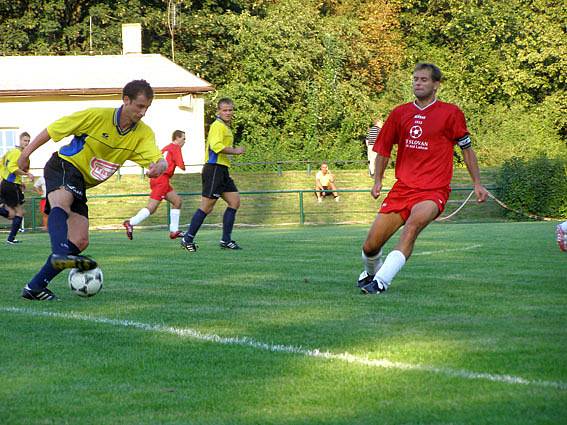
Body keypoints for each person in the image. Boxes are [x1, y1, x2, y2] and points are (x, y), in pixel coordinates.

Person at [17, 79, 167, 301]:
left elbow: (158, 159)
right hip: (64, 165)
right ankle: (59, 253)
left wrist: (159, 167)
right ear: (126, 100)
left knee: (79, 241)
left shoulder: (143, 134)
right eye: (140, 106)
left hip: (82, 182)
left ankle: (35, 287)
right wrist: (25, 153)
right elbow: (53, 129)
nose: (143, 112)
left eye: (147, 108)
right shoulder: (97, 116)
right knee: (62, 202)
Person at [358, 63, 489, 295]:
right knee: (370, 246)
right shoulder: (400, 113)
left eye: (424, 80)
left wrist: (477, 183)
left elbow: (466, 149)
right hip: (402, 189)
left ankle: (381, 282)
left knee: (411, 228)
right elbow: (384, 148)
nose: (418, 83)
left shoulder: (451, 113)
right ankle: (372, 273)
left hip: (433, 191)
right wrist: (377, 180)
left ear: (436, 85)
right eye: (415, 79)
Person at [180, 97, 245, 252]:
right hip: (214, 169)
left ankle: (226, 240)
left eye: (230, 110)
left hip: (222, 170)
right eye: (225, 110)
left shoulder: (226, 127)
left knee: (234, 202)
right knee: (207, 207)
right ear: (218, 111)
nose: (228, 113)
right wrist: (236, 151)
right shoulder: (217, 126)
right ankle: (187, 238)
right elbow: (216, 147)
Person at [123, 130, 187, 240]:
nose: (184, 141)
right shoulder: (175, 148)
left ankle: (174, 231)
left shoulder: (166, 148)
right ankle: (130, 222)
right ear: (177, 138)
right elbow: (181, 165)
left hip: (159, 178)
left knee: (177, 201)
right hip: (162, 179)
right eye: (183, 138)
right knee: (152, 208)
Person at [0, 132, 35, 244]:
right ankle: (10, 239)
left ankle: (11, 238)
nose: (27, 143)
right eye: (25, 140)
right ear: (20, 140)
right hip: (10, 185)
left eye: (28, 141)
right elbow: (12, 168)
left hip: (8, 184)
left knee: (12, 214)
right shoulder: (17, 153)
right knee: (19, 212)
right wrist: (27, 174)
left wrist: (20, 182)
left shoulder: (13, 152)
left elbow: (3, 165)